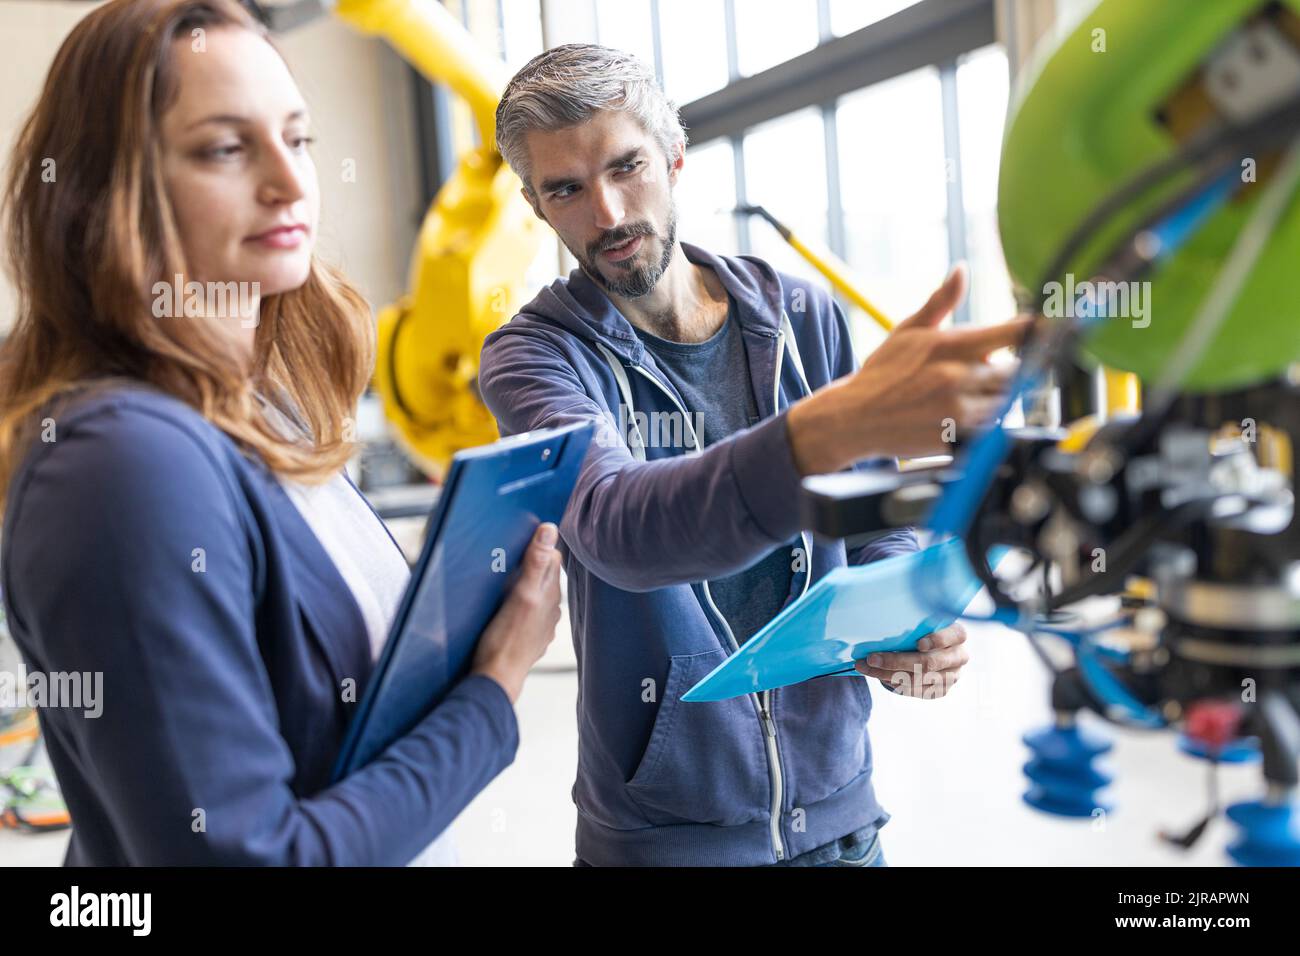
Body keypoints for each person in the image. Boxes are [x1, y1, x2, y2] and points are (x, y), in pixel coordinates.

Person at [0, 0, 560, 866]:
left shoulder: (266, 406)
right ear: (105, 193)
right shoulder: (118, 463)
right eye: (226, 147)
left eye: (297, 139)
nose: (291, 181)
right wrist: (491, 692)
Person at [480, 43, 1031, 866]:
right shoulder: (535, 360)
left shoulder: (800, 313)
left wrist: (910, 617)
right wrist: (830, 430)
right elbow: (618, 529)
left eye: (627, 167)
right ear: (535, 203)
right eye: (566, 188)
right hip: (666, 842)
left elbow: (872, 503)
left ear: (673, 156)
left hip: (843, 819)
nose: (607, 213)